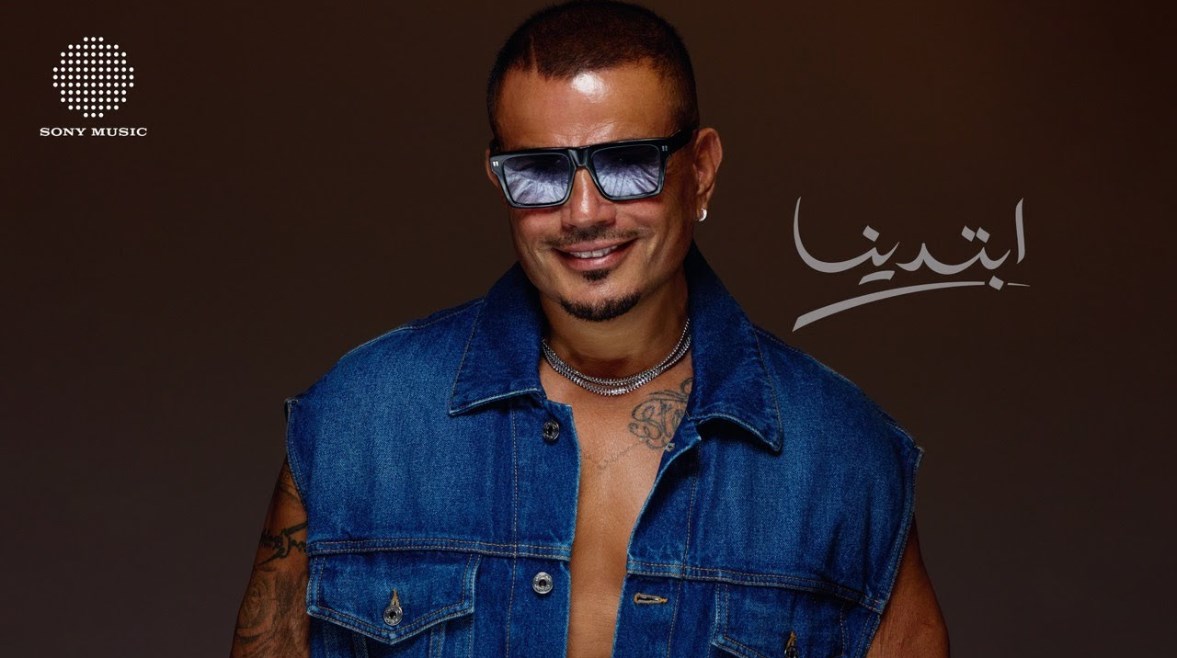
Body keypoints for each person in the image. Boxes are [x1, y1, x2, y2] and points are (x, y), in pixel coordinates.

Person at [230, 2, 949, 656]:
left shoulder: (844, 459)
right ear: (498, 179)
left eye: (628, 163)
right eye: (540, 171)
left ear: (700, 171)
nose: (582, 213)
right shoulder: (355, 422)